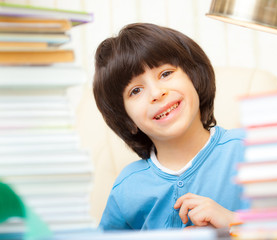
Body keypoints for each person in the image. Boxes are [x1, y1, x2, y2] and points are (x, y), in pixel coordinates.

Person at [93, 22, 247, 230]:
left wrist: (235, 224)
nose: (157, 93)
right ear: (126, 119)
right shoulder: (127, 189)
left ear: (194, 77)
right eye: (135, 90)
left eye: (165, 74)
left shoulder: (250, 151)